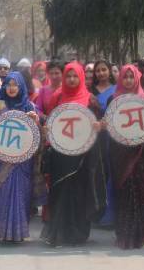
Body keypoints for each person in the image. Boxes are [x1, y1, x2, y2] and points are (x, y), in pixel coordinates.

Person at [41, 62, 107, 246]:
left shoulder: (90, 99)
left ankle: (78, 233)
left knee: (80, 192)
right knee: (61, 191)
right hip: (61, 153)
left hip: (83, 154)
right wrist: (46, 129)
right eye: (68, 76)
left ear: (81, 77)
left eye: (75, 76)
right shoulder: (57, 96)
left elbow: (98, 122)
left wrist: (98, 126)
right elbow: (51, 119)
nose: (71, 79)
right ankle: (60, 233)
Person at [0, 72, 45, 243]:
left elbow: (38, 138)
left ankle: (19, 233)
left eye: (15, 85)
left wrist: (36, 123)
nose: (11, 88)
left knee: (22, 196)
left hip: (23, 162)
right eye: (8, 84)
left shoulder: (29, 107)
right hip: (2, 160)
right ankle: (4, 233)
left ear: (21, 87)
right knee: (3, 195)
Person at [106, 65, 144, 248]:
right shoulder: (114, 99)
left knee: (140, 190)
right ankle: (124, 234)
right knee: (124, 191)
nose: (128, 80)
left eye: (131, 77)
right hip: (119, 152)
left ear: (137, 79)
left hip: (140, 152)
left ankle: (138, 235)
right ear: (120, 79)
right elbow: (109, 125)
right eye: (125, 77)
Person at [90, 59, 117, 227]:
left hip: (112, 137)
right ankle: (97, 213)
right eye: (98, 71)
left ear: (110, 71)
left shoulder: (118, 90)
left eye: (104, 70)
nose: (101, 73)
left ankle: (111, 214)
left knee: (111, 172)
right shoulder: (89, 92)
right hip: (94, 137)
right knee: (97, 173)